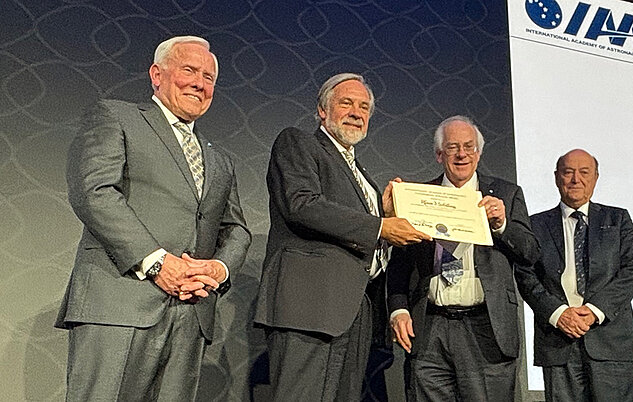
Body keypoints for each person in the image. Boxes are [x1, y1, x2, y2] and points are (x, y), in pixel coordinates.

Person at [56, 35, 251, 401]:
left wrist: (217, 269)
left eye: (209, 77)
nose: (199, 83)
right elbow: (94, 191)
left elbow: (236, 229)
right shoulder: (117, 116)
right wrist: (159, 263)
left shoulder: (220, 159)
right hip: (120, 303)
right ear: (157, 75)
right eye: (189, 70)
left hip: (190, 315)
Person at [254, 73, 430, 401]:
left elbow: (362, 234)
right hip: (309, 307)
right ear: (323, 111)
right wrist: (380, 227)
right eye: (346, 103)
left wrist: (385, 216)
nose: (356, 112)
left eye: (364, 107)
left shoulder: (362, 175)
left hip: (355, 311)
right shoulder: (298, 142)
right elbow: (301, 204)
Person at [387, 115, 540, 401]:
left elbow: (529, 252)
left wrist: (501, 225)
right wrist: (398, 310)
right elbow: (400, 264)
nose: (462, 154)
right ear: (439, 154)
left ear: (478, 153)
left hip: (486, 327)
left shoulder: (506, 194)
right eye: (453, 147)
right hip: (430, 327)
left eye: (469, 147)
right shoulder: (419, 197)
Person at [514, 149, 633, 401]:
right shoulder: (534, 225)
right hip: (558, 341)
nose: (576, 179)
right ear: (557, 177)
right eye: (568, 172)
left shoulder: (618, 219)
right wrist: (558, 313)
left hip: (611, 344)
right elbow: (525, 274)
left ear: (595, 177)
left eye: (584, 172)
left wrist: (594, 311)